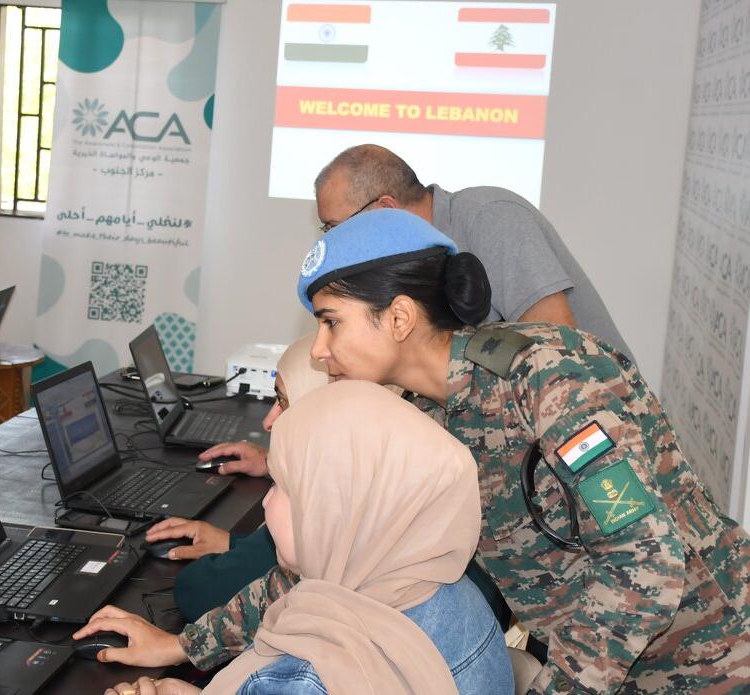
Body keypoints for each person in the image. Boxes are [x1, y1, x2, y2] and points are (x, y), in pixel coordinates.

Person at [289, 208, 750, 692]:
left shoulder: (550, 378)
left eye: (331, 323)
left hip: (717, 663)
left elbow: (645, 558)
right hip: (605, 669)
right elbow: (349, 557)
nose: (319, 350)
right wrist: (203, 641)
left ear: (399, 317)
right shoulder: (421, 421)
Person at [93, 381, 513, 695]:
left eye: (280, 486)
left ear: (334, 512)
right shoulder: (459, 598)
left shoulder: (304, 679)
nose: (266, 504)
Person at [312, 144, 633, 360]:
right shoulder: (407, 258)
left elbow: (557, 344)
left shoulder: (490, 217)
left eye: (337, 228)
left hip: (595, 426)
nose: (335, 242)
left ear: (385, 210)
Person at [144, 334, 328, 621]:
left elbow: (201, 592)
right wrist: (234, 543)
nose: (268, 422)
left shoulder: (314, 502)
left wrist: (242, 550)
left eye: (283, 401)